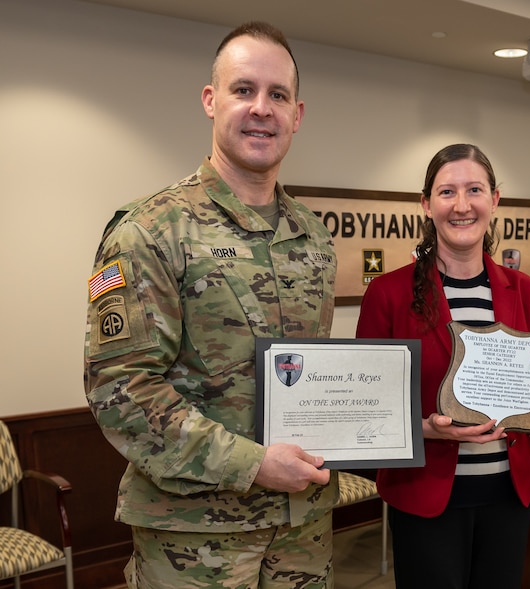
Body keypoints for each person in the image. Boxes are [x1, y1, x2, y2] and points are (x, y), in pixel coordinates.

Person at [83, 22, 337, 589]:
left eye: (278, 95)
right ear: (210, 100)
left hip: (303, 530)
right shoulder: (149, 230)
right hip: (196, 541)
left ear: (298, 113)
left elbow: (312, 379)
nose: (261, 109)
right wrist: (253, 464)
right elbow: (120, 389)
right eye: (243, 89)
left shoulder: (314, 237)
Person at [356, 143, 530, 589]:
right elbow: (368, 408)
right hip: (426, 495)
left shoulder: (526, 291)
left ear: (495, 199)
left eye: (474, 190)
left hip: (508, 497)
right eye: (447, 192)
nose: (462, 205)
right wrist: (428, 428)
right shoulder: (388, 294)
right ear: (426, 204)